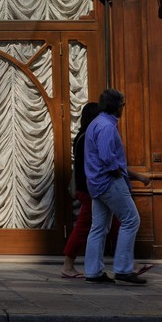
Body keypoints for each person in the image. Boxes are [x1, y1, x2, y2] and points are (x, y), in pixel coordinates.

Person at [83, 88, 153, 286]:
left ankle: (93, 272)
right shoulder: (107, 127)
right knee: (131, 220)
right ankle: (123, 269)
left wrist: (133, 175)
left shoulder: (96, 123)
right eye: (122, 104)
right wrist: (117, 175)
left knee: (98, 227)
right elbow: (108, 158)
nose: (123, 107)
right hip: (108, 181)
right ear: (116, 106)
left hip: (96, 183)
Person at [60, 101, 101, 278]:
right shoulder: (87, 139)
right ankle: (67, 265)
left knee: (115, 224)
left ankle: (129, 263)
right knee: (83, 227)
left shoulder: (81, 137)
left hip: (88, 188)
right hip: (89, 189)